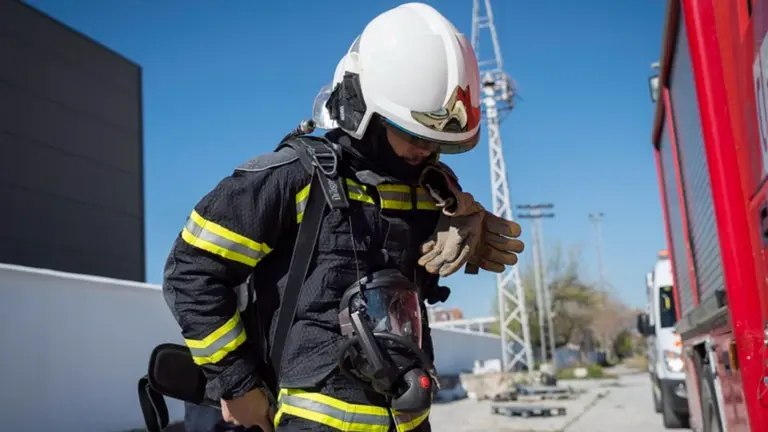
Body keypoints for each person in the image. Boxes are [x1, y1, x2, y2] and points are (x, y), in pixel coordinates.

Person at [162, 3, 524, 431]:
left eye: (435, 140)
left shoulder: (431, 190)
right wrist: (237, 384)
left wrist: (459, 221)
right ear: (363, 108)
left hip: (407, 418)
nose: (424, 150)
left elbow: (398, 297)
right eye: (412, 133)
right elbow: (191, 272)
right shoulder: (293, 178)